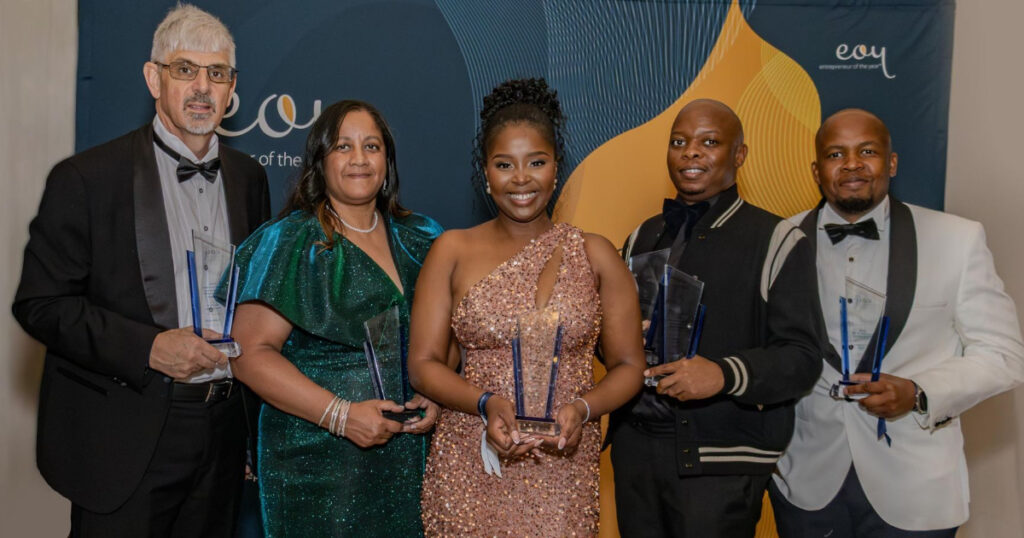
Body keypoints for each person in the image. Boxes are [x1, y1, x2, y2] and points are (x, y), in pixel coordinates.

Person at [11, 5, 270, 536]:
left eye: (217, 73)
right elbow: (40, 305)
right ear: (154, 78)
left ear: (232, 88)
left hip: (223, 434)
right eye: (185, 69)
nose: (202, 87)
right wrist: (148, 347)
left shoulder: (249, 178)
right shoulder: (87, 178)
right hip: (124, 437)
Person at [408, 77, 646, 536]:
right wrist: (485, 403)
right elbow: (423, 365)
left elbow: (629, 366)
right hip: (470, 461)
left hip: (564, 465)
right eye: (504, 164)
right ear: (485, 173)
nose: (521, 179)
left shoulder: (596, 255)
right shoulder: (452, 250)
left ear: (557, 168)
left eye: (536, 162)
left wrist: (583, 408)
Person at [770, 108, 1024, 537]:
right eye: (836, 154)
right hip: (805, 481)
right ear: (816, 170)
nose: (852, 164)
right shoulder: (777, 241)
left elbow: (1003, 355)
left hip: (917, 485)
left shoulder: (958, 239)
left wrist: (919, 392)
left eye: (867, 151)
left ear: (891, 163)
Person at [607, 99, 824, 537]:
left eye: (709, 142)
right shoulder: (642, 234)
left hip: (720, 462)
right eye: (679, 142)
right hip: (636, 453)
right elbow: (608, 336)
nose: (691, 152)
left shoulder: (777, 239)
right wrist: (619, 339)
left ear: (739, 154)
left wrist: (723, 375)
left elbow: (802, 357)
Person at [229, 99, 442, 537]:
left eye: (371, 146)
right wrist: (341, 416)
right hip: (315, 462)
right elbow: (248, 352)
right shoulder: (290, 240)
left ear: (388, 162)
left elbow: (447, 338)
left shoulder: (422, 237)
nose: (359, 158)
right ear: (320, 162)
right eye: (343, 146)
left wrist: (435, 390)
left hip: (409, 459)